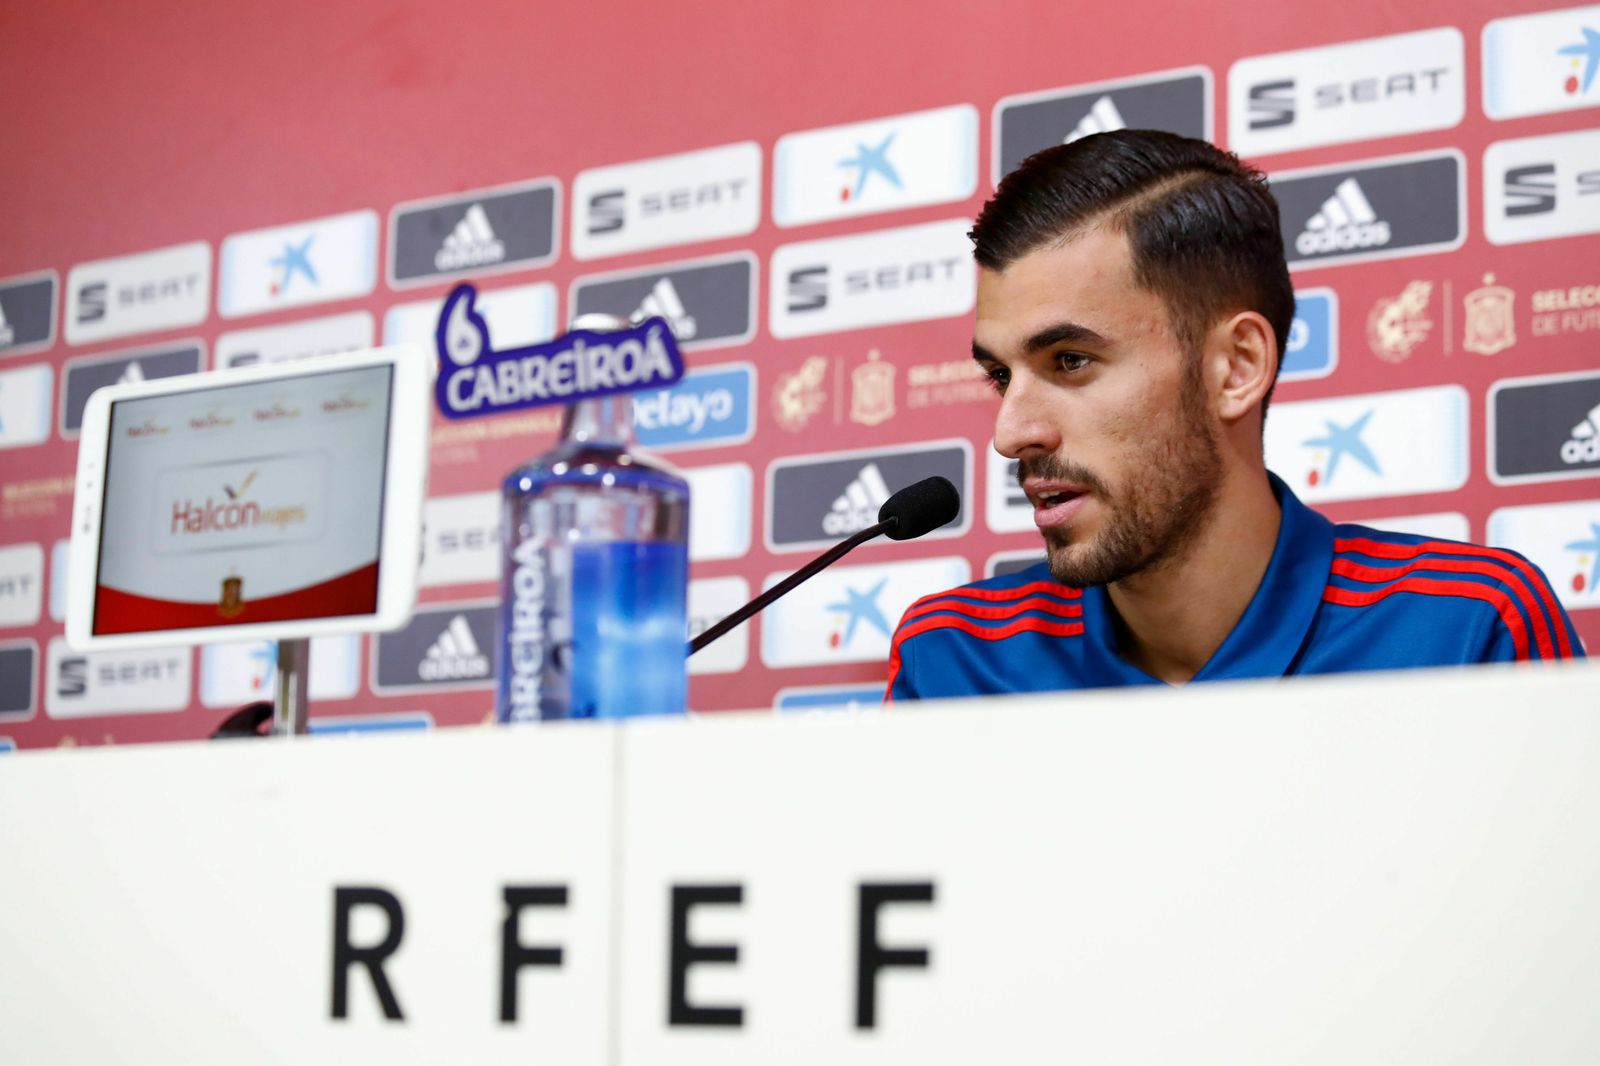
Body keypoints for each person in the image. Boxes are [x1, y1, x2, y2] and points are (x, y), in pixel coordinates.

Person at [886, 130, 1583, 701]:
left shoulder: (1465, 629)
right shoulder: (952, 659)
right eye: (1000, 376)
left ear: (1237, 367)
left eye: (1071, 361)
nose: (1011, 435)